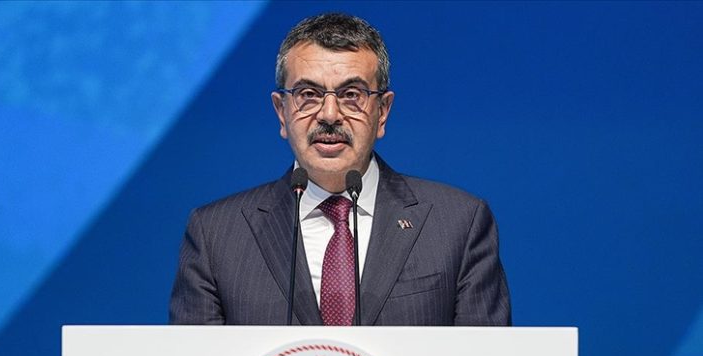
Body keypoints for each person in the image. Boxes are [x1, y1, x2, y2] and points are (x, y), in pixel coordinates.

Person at [169, 13, 510, 326]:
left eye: (351, 94)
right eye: (308, 94)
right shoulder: (216, 236)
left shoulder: (457, 225)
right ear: (281, 112)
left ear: (383, 112)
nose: (329, 114)